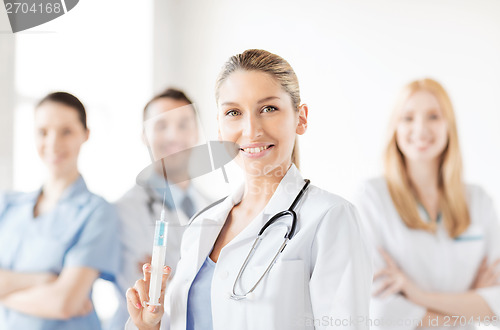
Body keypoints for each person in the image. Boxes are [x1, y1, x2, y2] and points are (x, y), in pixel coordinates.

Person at [125, 49, 373, 330]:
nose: (251, 129)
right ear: (219, 129)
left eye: (268, 108)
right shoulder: (202, 225)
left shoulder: (330, 218)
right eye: (233, 112)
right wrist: (149, 325)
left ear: (301, 118)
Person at [354, 78, 500, 329]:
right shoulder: (373, 197)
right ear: (395, 128)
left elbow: (497, 303)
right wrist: (470, 308)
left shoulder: (478, 200)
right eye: (408, 118)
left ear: (449, 126)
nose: (420, 129)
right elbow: (380, 309)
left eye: (433, 116)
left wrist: (415, 295)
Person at [0, 92, 120, 329]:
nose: (53, 143)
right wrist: (43, 280)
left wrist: (6, 292)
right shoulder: (8, 205)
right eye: (43, 132)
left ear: (85, 135)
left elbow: (64, 303)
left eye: (66, 131)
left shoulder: (97, 212)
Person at [109, 88, 211, 330]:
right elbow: (142, 289)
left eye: (184, 124)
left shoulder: (217, 207)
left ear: (196, 132)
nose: (173, 135)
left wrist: (172, 274)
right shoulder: (123, 211)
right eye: (161, 125)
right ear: (144, 134)